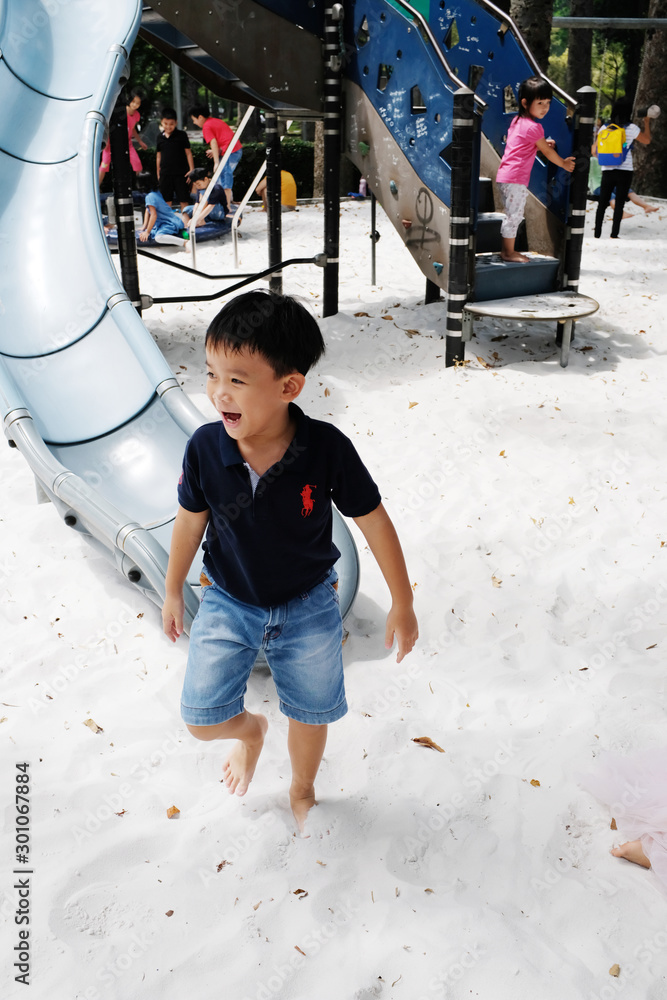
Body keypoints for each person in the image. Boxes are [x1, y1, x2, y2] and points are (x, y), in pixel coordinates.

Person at [161, 291, 419, 834]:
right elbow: (189, 521)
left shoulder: (324, 448)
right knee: (201, 718)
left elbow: (373, 520)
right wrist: (170, 592)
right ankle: (250, 733)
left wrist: (403, 601)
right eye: (211, 374)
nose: (217, 392)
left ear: (289, 387)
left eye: (236, 379)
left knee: (310, 710)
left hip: (308, 605)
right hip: (229, 601)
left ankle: (302, 787)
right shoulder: (206, 448)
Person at [495, 76, 576, 262]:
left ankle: (507, 250)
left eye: (548, 102)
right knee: (514, 215)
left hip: (505, 175)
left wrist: (540, 143)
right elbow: (547, 152)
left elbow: (522, 142)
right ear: (525, 102)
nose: (545, 107)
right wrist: (563, 163)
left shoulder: (517, 121)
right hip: (515, 178)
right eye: (540, 102)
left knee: (512, 213)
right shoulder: (534, 127)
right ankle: (508, 252)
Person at [592, 98, 654, 239]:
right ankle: (614, 234)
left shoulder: (604, 128)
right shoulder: (632, 128)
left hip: (607, 170)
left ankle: (597, 234)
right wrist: (646, 122)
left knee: (602, 202)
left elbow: (594, 151)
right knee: (619, 203)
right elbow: (647, 140)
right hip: (625, 170)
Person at [189, 104, 242, 212]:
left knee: (224, 180)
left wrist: (216, 162)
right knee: (222, 180)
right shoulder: (214, 121)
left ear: (200, 117)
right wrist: (216, 151)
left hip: (231, 152)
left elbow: (213, 142)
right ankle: (225, 204)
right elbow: (224, 139)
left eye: (194, 120)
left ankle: (226, 207)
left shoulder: (206, 126)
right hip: (233, 150)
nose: (194, 122)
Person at [99, 88, 147, 186]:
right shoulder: (120, 112)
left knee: (138, 164)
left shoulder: (136, 115)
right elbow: (109, 126)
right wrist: (107, 141)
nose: (135, 105)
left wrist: (140, 141)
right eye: (133, 102)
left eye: (138, 103)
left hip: (127, 144)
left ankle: (142, 187)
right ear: (129, 100)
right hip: (111, 143)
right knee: (104, 165)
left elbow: (132, 128)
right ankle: (96, 187)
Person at [136, 173, 189, 249]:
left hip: (169, 223)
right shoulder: (155, 192)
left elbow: (153, 215)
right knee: (153, 232)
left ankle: (184, 242)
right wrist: (144, 227)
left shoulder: (149, 196)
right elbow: (148, 210)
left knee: (159, 237)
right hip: (170, 221)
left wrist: (147, 232)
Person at [156, 107, 194, 211]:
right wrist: (158, 172)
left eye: (171, 124)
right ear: (162, 122)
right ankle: (168, 223)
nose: (168, 126)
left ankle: (186, 223)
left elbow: (188, 153)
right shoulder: (160, 137)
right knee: (166, 200)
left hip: (181, 173)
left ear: (176, 123)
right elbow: (159, 156)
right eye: (165, 123)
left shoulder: (182, 135)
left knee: (183, 199)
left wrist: (191, 170)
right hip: (165, 173)